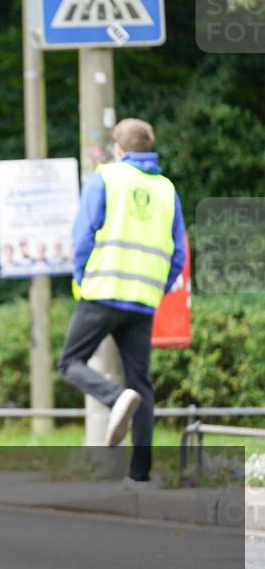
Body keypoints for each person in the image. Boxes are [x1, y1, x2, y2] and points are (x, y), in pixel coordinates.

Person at [58, 118, 186, 485]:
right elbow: (178, 253)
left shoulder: (106, 178)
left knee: (70, 362)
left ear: (119, 148)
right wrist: (156, 289)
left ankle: (115, 398)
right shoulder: (166, 190)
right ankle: (140, 475)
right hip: (143, 301)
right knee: (142, 384)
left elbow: (82, 236)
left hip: (102, 291)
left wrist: (83, 279)